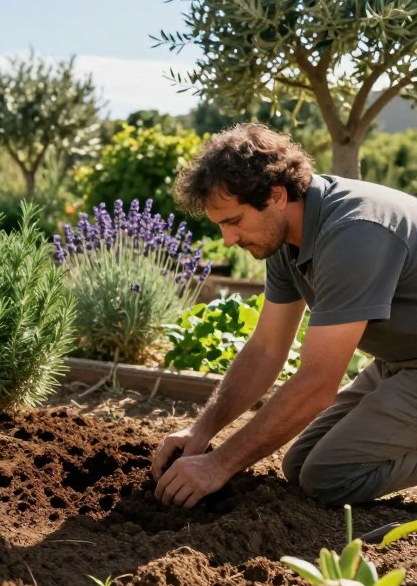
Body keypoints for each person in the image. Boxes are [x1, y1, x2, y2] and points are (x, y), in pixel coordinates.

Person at [152, 123, 417, 508]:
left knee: (328, 477)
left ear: (276, 195)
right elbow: (265, 349)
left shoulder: (354, 233)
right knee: (299, 465)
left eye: (234, 221)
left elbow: (317, 384)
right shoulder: (285, 239)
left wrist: (218, 466)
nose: (227, 240)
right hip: (400, 362)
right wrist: (202, 430)